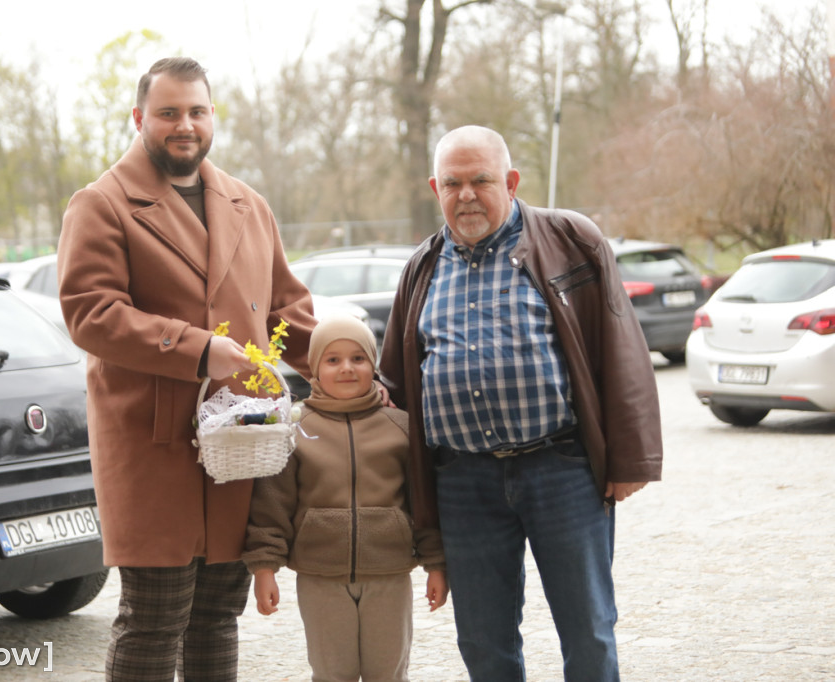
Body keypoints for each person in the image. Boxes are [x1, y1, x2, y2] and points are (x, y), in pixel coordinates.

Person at [57, 57, 317, 682]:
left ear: (212, 116)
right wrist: (197, 349)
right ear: (139, 118)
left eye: (197, 111)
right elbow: (91, 313)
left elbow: (288, 310)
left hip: (238, 440)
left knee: (217, 616)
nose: (185, 125)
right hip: (153, 449)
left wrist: (351, 373)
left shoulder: (249, 204)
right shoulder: (101, 204)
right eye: (169, 112)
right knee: (153, 618)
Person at [378, 125, 663, 682]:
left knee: (588, 631)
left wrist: (630, 459)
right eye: (452, 183)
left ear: (510, 182)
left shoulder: (570, 239)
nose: (466, 195)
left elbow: (621, 347)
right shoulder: (422, 267)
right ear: (435, 188)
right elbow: (396, 381)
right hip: (463, 482)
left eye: (480, 180)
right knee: (483, 641)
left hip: (561, 469)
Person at [243, 314, 448, 682]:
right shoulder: (294, 428)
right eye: (333, 360)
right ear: (315, 368)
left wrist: (436, 563)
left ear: (374, 365)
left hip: (389, 575)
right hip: (319, 577)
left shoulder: (400, 427)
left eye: (358, 358)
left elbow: (423, 503)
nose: (347, 368)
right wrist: (264, 568)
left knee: (389, 673)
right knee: (331, 674)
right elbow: (271, 504)